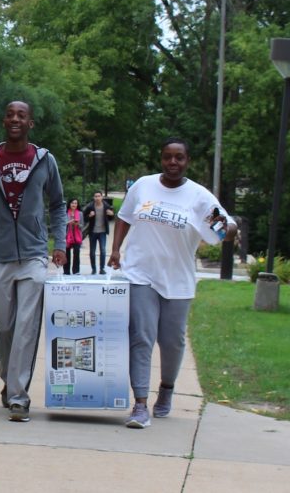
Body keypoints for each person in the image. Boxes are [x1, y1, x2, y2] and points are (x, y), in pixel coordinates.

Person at [107, 137, 236, 429]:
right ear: (161, 159)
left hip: (178, 280)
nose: (173, 163)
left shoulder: (199, 196)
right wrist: (116, 250)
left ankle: (166, 389)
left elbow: (222, 228)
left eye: (179, 158)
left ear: (187, 161)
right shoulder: (143, 185)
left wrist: (229, 229)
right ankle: (139, 404)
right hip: (141, 274)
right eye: (168, 157)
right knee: (141, 336)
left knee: (172, 341)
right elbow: (125, 217)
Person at [0, 101, 67, 423]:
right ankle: (10, 381)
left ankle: (19, 397)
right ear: (4, 121)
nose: (15, 119)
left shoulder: (44, 160)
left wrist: (59, 243)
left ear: (30, 123)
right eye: (10, 115)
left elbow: (58, 205)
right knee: (4, 327)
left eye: (21, 115)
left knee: (26, 328)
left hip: (33, 255)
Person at [82, 191, 115, 274]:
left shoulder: (106, 206)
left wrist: (111, 214)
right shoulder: (90, 207)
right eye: (95, 196)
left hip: (102, 232)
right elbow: (84, 218)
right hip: (93, 232)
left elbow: (111, 218)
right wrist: (89, 216)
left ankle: (102, 269)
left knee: (103, 251)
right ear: (94, 198)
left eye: (99, 196)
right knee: (92, 251)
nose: (97, 198)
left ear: (102, 197)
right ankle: (93, 269)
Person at [63, 198, 83, 275]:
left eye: (75, 203)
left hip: (77, 237)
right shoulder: (65, 213)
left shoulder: (80, 213)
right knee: (67, 254)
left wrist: (77, 224)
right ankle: (66, 271)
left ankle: (76, 271)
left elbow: (82, 226)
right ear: (69, 204)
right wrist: (69, 222)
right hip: (67, 236)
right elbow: (62, 224)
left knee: (77, 253)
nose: (74, 205)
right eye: (72, 203)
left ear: (77, 205)